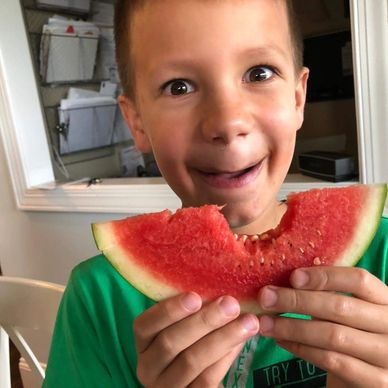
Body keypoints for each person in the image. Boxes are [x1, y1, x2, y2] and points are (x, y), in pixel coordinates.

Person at [43, 1, 388, 387]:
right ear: (136, 120)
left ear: (297, 98)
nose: (227, 122)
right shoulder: (97, 300)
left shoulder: (383, 255)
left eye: (259, 73)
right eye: (179, 87)